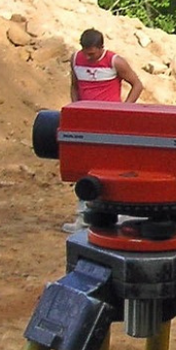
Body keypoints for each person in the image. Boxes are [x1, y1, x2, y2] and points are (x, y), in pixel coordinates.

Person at [65, 28, 145, 230]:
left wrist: (124, 110)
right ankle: (84, 216)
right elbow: (75, 85)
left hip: (111, 124)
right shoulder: (75, 59)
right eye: (85, 52)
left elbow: (136, 84)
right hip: (86, 122)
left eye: (92, 53)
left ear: (102, 48)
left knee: (115, 168)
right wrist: (76, 108)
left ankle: (120, 213)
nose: (88, 57)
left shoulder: (115, 62)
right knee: (85, 169)